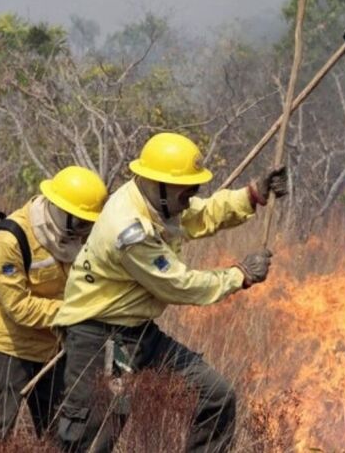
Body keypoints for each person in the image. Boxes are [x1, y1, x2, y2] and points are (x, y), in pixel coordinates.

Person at [52, 132, 287, 453]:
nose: (190, 198)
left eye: (194, 190)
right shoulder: (129, 229)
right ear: (159, 184)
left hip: (139, 334)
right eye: (186, 191)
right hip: (99, 339)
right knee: (94, 438)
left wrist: (251, 195)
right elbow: (179, 284)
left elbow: (198, 214)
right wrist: (240, 275)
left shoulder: (153, 200)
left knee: (215, 397)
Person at [0, 166, 108, 442]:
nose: (85, 231)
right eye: (80, 222)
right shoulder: (9, 240)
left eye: (90, 224)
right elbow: (18, 307)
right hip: (4, 350)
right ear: (59, 210)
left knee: (65, 434)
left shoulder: (76, 238)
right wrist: (77, 313)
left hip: (54, 349)